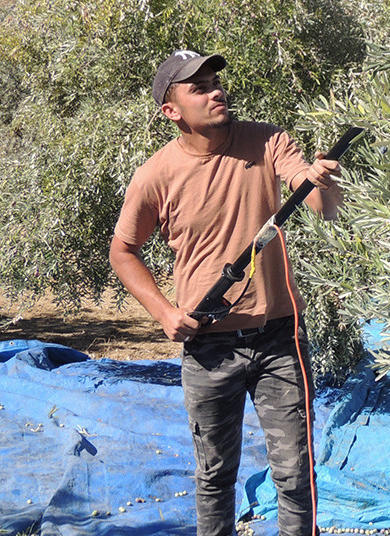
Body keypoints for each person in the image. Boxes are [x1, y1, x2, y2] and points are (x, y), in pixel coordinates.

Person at [109, 48, 342, 536]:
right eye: (199, 88)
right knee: (215, 476)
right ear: (171, 110)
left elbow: (322, 206)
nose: (216, 92)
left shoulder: (266, 140)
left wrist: (323, 180)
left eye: (216, 82)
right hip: (208, 346)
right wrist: (163, 312)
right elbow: (123, 251)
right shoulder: (156, 174)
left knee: (296, 475)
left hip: (279, 337)